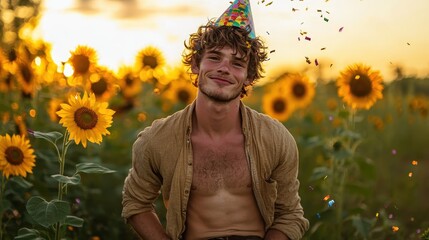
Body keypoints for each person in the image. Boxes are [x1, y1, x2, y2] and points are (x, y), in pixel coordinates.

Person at [122, 0, 309, 239]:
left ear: (249, 77)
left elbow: (290, 214)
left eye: (237, 63)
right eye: (214, 57)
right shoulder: (157, 140)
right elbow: (136, 203)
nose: (224, 68)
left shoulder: (276, 138)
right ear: (196, 64)